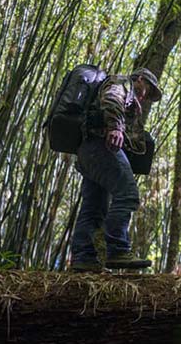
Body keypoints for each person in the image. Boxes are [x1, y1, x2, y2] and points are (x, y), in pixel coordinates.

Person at [69, 67, 161, 272]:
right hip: (102, 145)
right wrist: (116, 127)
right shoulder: (122, 83)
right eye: (148, 88)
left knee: (94, 206)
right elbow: (111, 99)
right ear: (139, 79)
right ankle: (118, 250)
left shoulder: (130, 96)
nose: (145, 95)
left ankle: (83, 259)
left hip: (89, 150)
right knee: (128, 194)